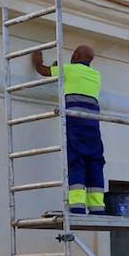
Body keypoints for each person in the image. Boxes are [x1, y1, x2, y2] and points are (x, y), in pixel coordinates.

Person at [31, 45, 105, 214]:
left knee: (76, 161)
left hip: (75, 123)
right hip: (93, 125)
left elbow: (44, 71)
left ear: (77, 55)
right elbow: (74, 81)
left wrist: (37, 60)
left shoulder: (69, 69)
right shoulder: (96, 75)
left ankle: (77, 207)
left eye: (73, 54)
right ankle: (97, 207)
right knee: (94, 162)